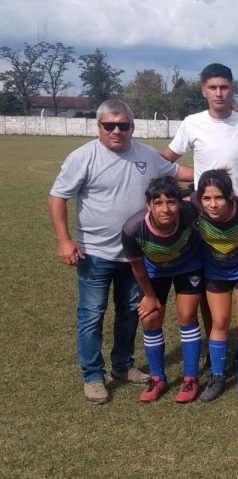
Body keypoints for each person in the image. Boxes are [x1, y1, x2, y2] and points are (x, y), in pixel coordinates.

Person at [48, 99, 192, 404]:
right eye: (109, 125)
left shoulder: (146, 154)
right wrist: (64, 240)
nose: (117, 131)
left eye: (123, 125)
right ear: (98, 127)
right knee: (92, 314)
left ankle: (123, 365)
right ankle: (92, 376)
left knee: (129, 312)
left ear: (132, 127)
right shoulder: (83, 157)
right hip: (94, 253)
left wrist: (219, 173)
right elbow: (58, 197)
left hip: (135, 254)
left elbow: (178, 171)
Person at [121, 177, 203, 403]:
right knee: (150, 318)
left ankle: (190, 378)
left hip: (189, 265)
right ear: (148, 206)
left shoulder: (190, 210)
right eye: (158, 203)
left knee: (187, 316)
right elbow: (137, 267)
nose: (165, 209)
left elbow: (209, 196)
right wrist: (149, 296)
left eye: (171, 202)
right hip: (154, 271)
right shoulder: (132, 229)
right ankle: (158, 378)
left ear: (181, 202)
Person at [192, 169, 238, 402]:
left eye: (219, 197)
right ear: (199, 197)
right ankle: (218, 376)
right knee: (220, 322)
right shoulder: (192, 206)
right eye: (207, 198)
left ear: (230, 195)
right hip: (216, 270)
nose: (212, 204)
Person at [159, 63, 238, 198]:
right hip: (206, 208)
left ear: (232, 89)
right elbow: (167, 157)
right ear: (204, 91)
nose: (218, 93)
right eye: (212, 88)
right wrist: (137, 152)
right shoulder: (192, 123)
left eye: (223, 87)